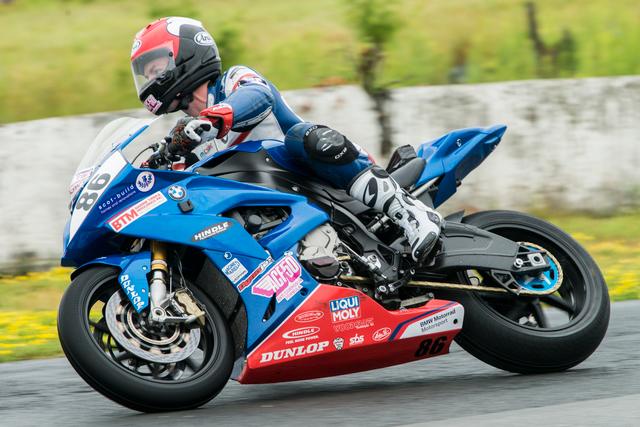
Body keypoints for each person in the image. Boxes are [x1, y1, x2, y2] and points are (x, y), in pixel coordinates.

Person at [130, 17, 442, 263]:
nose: (151, 80)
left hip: (322, 178)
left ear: (185, 54)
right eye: (147, 74)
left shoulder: (233, 82)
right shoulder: (188, 136)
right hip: (269, 212)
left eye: (157, 68)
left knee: (302, 137)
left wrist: (216, 118)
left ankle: (409, 212)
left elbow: (258, 95)